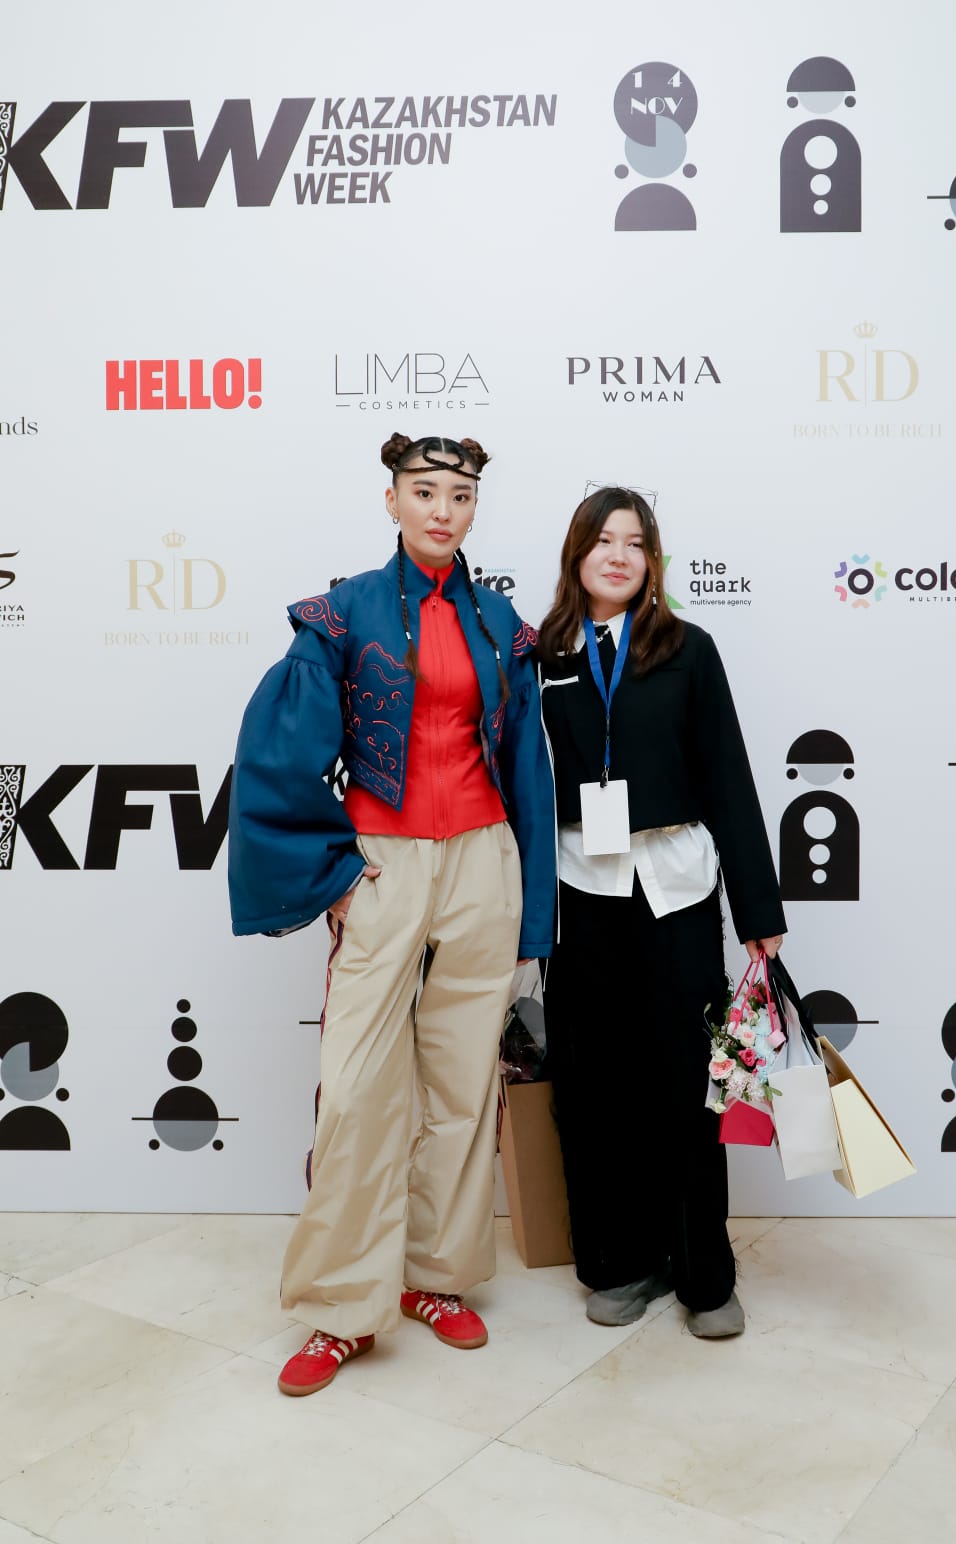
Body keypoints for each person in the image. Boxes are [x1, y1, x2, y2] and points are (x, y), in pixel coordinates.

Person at [228, 433, 555, 1396]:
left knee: (464, 1082)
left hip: (484, 861)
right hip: (385, 862)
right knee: (357, 1087)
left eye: (460, 495)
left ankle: (434, 1276)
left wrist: (532, 911)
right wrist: (337, 873)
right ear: (392, 501)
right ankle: (339, 1308)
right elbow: (281, 750)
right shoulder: (344, 614)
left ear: (474, 508)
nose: (443, 511)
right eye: (425, 492)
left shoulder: (503, 622)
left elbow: (527, 770)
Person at [537, 487, 785, 1338]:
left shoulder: (688, 648)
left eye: (635, 543)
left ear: (652, 561)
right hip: (581, 893)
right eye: (602, 540)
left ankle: (704, 1275)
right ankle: (621, 1262)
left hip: (675, 889)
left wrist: (757, 907)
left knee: (689, 1084)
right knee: (597, 1086)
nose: (618, 556)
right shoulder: (542, 655)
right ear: (577, 553)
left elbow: (728, 777)